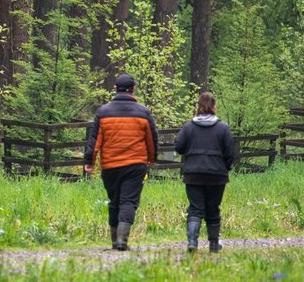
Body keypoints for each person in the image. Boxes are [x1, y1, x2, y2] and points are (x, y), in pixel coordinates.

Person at [84, 74, 159, 251]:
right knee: (128, 201)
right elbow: (152, 139)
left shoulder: (103, 112)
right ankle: (122, 241)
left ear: (115, 89)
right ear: (133, 89)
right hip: (135, 165)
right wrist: (152, 159)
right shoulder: (143, 112)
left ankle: (114, 241)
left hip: (110, 166)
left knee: (114, 201)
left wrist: (90, 161)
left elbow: (94, 140)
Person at [174, 92, 235, 253]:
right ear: (214, 107)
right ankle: (214, 244)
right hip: (217, 176)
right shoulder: (223, 128)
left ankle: (192, 242)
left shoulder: (189, 127)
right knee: (213, 209)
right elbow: (230, 153)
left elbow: (178, 147)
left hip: (193, 174)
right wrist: (223, 168)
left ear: (198, 107)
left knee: (195, 208)